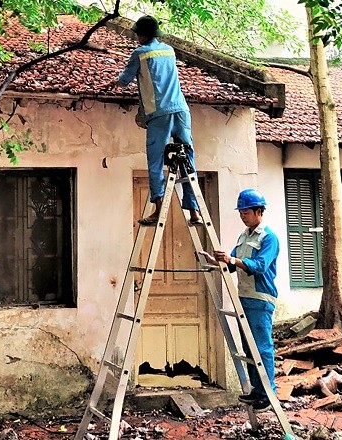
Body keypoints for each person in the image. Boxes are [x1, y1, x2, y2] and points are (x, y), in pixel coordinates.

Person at [115, 15, 201, 225]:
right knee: (188, 160)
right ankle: (194, 211)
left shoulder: (140, 53)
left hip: (159, 113)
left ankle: (158, 208)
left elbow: (124, 81)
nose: (136, 37)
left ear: (142, 34)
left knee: (155, 162)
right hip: (181, 110)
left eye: (137, 33)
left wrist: (115, 80)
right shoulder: (169, 50)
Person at [200, 189, 279, 412]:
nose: (242, 215)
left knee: (262, 347)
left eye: (246, 212)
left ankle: (268, 393)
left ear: (258, 211)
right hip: (244, 296)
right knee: (248, 347)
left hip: (261, 298)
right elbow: (233, 264)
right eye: (241, 212)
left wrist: (232, 258)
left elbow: (260, 266)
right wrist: (217, 261)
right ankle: (257, 390)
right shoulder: (244, 236)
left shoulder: (269, 238)